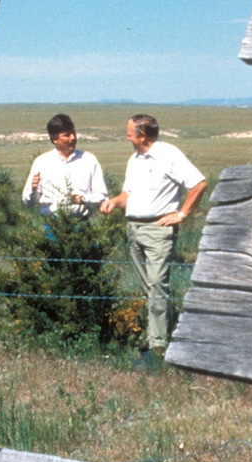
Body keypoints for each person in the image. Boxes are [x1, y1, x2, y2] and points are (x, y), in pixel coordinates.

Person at [100, 114, 207, 360]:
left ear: (142, 135)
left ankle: (158, 347)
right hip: (134, 228)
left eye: (129, 132)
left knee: (157, 285)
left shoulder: (168, 155)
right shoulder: (134, 159)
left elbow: (199, 183)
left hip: (158, 230)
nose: (126, 136)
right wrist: (115, 202)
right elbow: (128, 194)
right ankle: (154, 336)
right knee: (147, 288)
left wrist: (181, 214)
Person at [22, 114, 108, 217]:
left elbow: (102, 196)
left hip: (81, 224)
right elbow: (29, 203)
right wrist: (33, 189)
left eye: (73, 133)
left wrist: (83, 199)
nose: (73, 138)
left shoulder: (89, 160)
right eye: (66, 135)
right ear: (55, 139)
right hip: (51, 226)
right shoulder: (42, 162)